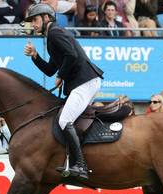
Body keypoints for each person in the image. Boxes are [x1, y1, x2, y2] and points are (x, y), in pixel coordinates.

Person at [24, 3, 104, 179]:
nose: (33, 25)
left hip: (85, 81)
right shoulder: (51, 37)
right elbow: (50, 70)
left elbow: (71, 56)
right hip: (84, 81)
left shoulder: (55, 33)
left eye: (35, 20)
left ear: (46, 18)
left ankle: (80, 166)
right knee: (67, 119)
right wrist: (35, 56)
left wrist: (61, 74)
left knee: (64, 119)